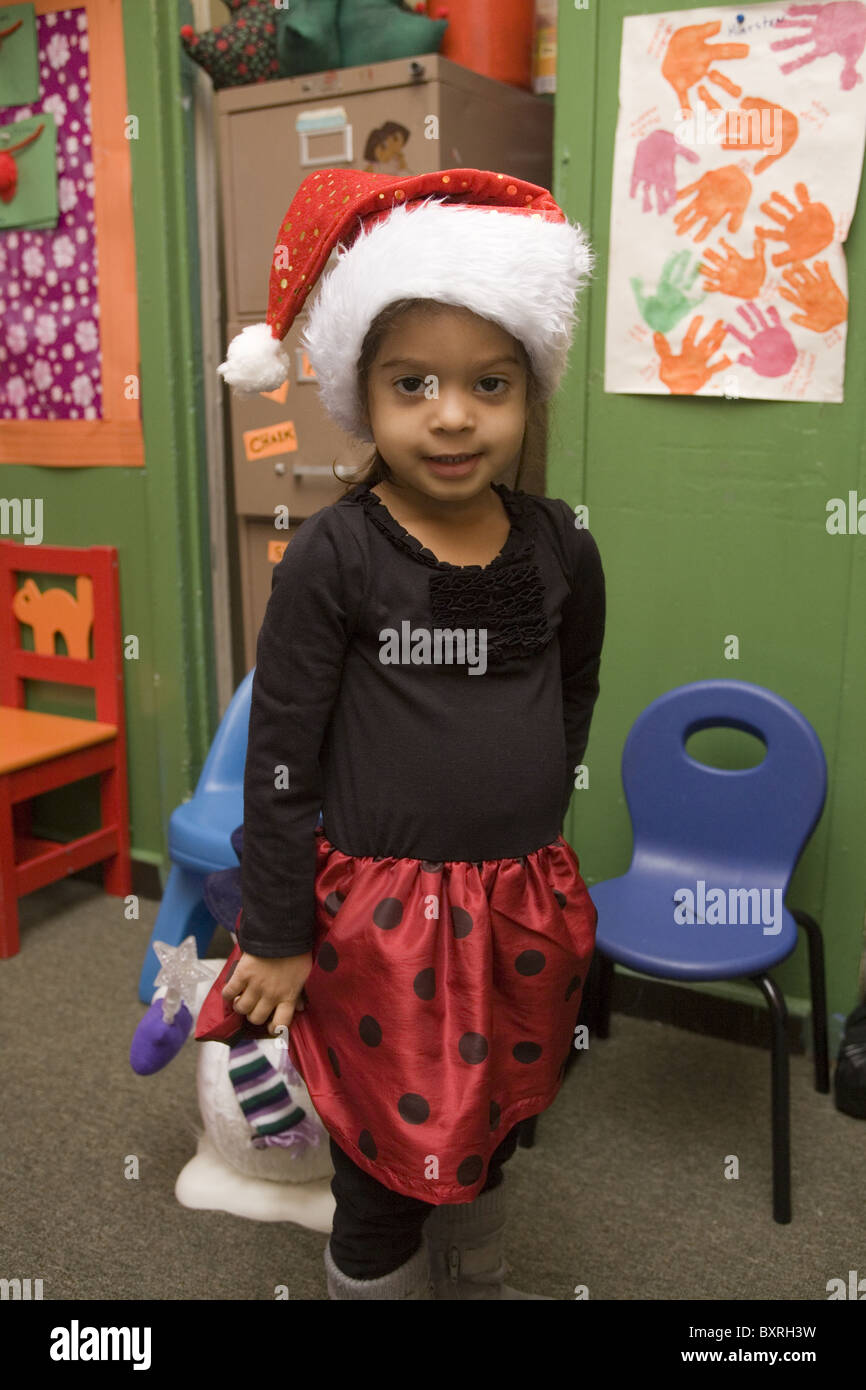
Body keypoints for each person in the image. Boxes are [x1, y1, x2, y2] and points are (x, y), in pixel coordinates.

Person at [216, 167, 605, 1300]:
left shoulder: (557, 546)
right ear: (361, 396)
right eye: (413, 383)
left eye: (489, 382)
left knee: (491, 1138)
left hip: (516, 906)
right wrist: (278, 929)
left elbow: (562, 689)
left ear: (530, 394)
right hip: (375, 929)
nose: (451, 413)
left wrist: (526, 819)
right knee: (383, 1173)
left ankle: (475, 1278)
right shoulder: (337, 557)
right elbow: (280, 755)